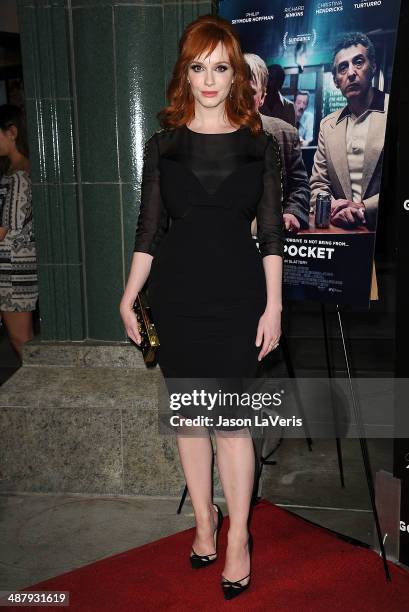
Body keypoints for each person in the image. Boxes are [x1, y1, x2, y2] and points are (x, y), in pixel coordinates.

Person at [120, 15, 283, 600]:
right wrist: (128, 293)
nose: (209, 79)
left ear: (234, 73)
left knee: (233, 425)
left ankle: (239, 536)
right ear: (183, 74)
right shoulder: (162, 144)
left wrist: (275, 307)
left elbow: (269, 234)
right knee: (191, 419)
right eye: (198, 66)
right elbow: (149, 230)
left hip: (239, 297)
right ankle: (204, 521)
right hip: (178, 297)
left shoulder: (259, 145)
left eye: (220, 67)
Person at [310, 32, 388, 231]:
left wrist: (363, 208)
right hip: (340, 231)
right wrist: (333, 207)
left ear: (373, 67)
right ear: (336, 81)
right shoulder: (328, 125)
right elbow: (318, 184)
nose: (351, 72)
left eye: (358, 62)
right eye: (343, 68)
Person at [245, 53, 310, 233]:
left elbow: (299, 186)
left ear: (262, 96)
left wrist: (292, 213)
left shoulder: (286, 134)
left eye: (249, 92)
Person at [0, 104, 38, 358]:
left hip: (15, 270)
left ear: (11, 132)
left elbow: (5, 228)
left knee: (20, 338)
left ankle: (41, 391)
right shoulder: (16, 171)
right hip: (13, 267)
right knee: (20, 338)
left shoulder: (20, 176)